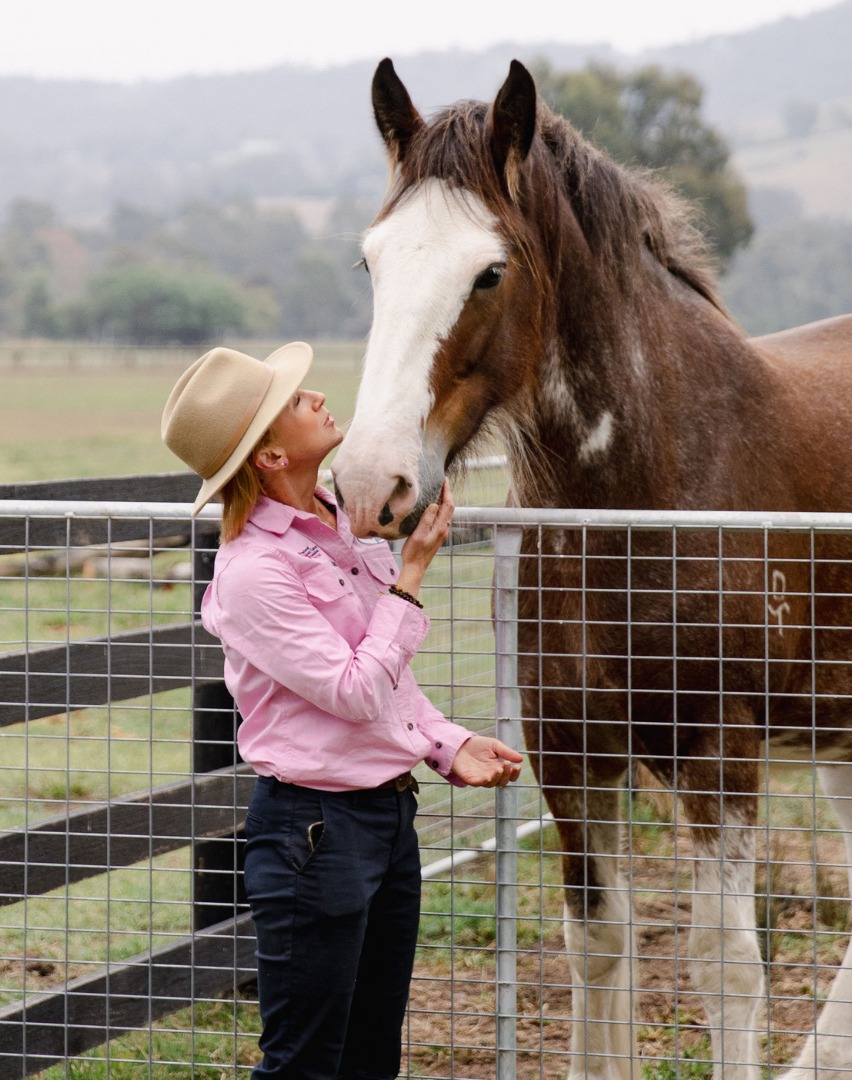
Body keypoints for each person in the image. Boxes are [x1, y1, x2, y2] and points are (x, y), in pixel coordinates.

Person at [161, 341, 523, 1080]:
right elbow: (356, 687)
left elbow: (387, 682)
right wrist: (412, 575)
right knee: (303, 1064)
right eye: (294, 403)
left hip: (387, 821)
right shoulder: (254, 574)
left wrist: (444, 745)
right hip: (314, 836)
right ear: (267, 458)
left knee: (369, 1056)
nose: (317, 398)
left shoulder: (341, 526)